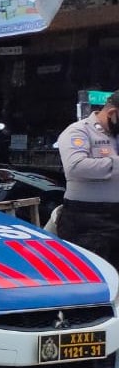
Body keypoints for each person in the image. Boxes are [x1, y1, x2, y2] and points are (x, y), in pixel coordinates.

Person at [56, 90, 119, 261]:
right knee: (96, 274)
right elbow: (76, 166)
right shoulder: (79, 131)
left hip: (115, 216)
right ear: (113, 113)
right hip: (87, 219)